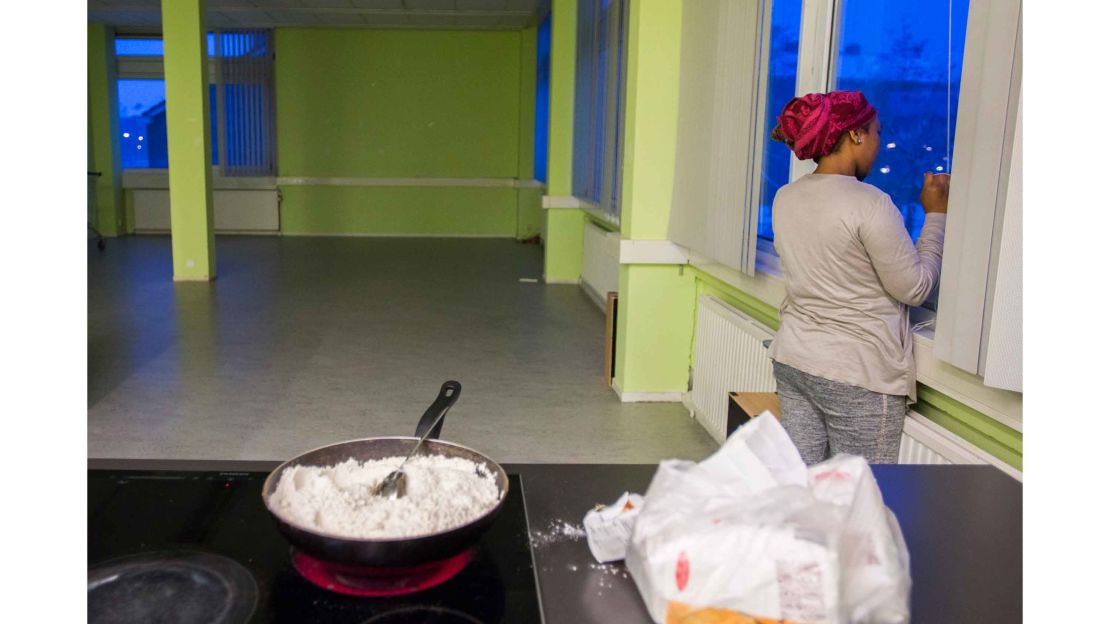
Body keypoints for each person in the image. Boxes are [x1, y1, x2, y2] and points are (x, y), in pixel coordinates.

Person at [766, 90, 950, 465]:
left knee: (802, 484)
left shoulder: (786, 196)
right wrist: (936, 215)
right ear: (855, 135)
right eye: (877, 132)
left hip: (795, 359)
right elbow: (914, 288)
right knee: (859, 495)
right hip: (856, 374)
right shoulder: (869, 203)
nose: (879, 144)